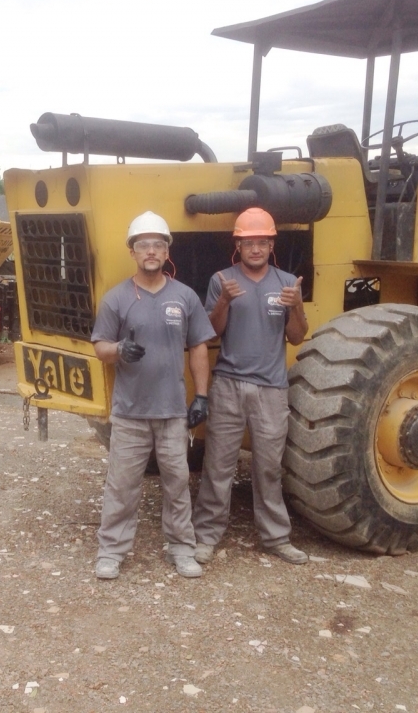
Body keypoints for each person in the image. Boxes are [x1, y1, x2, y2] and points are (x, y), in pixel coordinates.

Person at [91, 211, 216, 580]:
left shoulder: (185, 297)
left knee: (177, 483)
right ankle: (111, 551)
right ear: (133, 252)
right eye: (143, 244)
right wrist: (119, 351)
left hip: (172, 411)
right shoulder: (117, 298)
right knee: (122, 485)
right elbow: (100, 346)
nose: (151, 250)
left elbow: (198, 348)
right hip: (130, 413)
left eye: (157, 244)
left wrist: (202, 397)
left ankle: (182, 549)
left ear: (166, 252)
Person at [192, 207, 310, 565]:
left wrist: (297, 307)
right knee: (218, 465)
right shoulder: (221, 280)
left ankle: (275, 538)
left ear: (271, 244)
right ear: (238, 246)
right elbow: (212, 331)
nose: (255, 249)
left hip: (272, 389)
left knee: (269, 467)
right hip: (228, 384)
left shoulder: (287, 283)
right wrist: (225, 299)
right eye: (248, 243)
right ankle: (206, 535)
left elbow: (297, 336)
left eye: (262, 242)